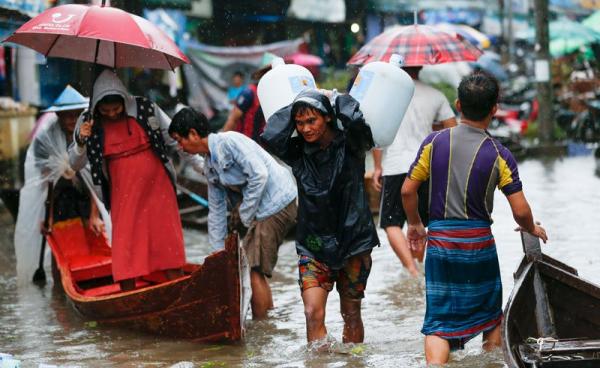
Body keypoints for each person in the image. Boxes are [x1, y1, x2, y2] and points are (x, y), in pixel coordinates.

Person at [401, 72, 548, 365]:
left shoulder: (434, 143)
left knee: (439, 323)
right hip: (478, 243)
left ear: (458, 104)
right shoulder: (499, 153)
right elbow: (520, 210)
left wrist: (416, 224)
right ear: (494, 109)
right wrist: (532, 227)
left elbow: (407, 190)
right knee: (491, 316)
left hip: (441, 241)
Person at [261, 89, 379, 345]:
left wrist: (336, 99)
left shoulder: (352, 145)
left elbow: (356, 121)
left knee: (351, 314)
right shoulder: (297, 153)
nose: (305, 129)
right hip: (314, 245)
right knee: (311, 312)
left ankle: (353, 363)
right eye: (299, 123)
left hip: (354, 241)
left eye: (311, 120)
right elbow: (270, 135)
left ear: (327, 117)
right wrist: (297, 103)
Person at [70, 69, 204, 291]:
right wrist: (81, 141)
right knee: (126, 248)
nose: (112, 114)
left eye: (116, 109)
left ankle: (180, 289)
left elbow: (175, 141)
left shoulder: (147, 109)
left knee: (167, 242)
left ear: (124, 100)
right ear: (97, 108)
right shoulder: (88, 121)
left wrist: (201, 166)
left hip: (158, 188)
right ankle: (129, 295)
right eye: (106, 110)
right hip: (122, 192)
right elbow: (75, 163)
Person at [168, 107, 297, 319]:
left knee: (253, 269)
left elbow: (260, 175)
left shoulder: (229, 142)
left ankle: (262, 326)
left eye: (179, 140)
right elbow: (216, 210)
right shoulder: (210, 165)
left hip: (278, 202)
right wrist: (217, 254)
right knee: (248, 267)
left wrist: (244, 215)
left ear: (192, 133)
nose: (180, 147)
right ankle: (266, 321)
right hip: (261, 210)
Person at [14, 85, 108, 286]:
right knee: (61, 247)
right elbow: (44, 182)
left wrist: (95, 215)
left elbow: (96, 178)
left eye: (76, 115)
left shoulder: (90, 134)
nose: (71, 120)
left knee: (96, 237)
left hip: (85, 195)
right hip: (59, 199)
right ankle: (62, 288)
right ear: (58, 115)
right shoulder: (45, 139)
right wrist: (45, 217)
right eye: (66, 115)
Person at [372, 66, 456, 276]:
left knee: (391, 223)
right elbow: (452, 130)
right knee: (418, 221)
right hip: (425, 165)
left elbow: (377, 134)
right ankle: (419, 266)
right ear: (420, 67)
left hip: (395, 165)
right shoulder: (435, 94)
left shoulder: (387, 97)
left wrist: (377, 167)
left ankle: (411, 269)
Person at [222, 53, 277, 142]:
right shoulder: (249, 93)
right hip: (246, 144)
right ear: (262, 74)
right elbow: (233, 119)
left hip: (263, 146)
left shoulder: (274, 94)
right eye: (268, 71)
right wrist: (221, 142)